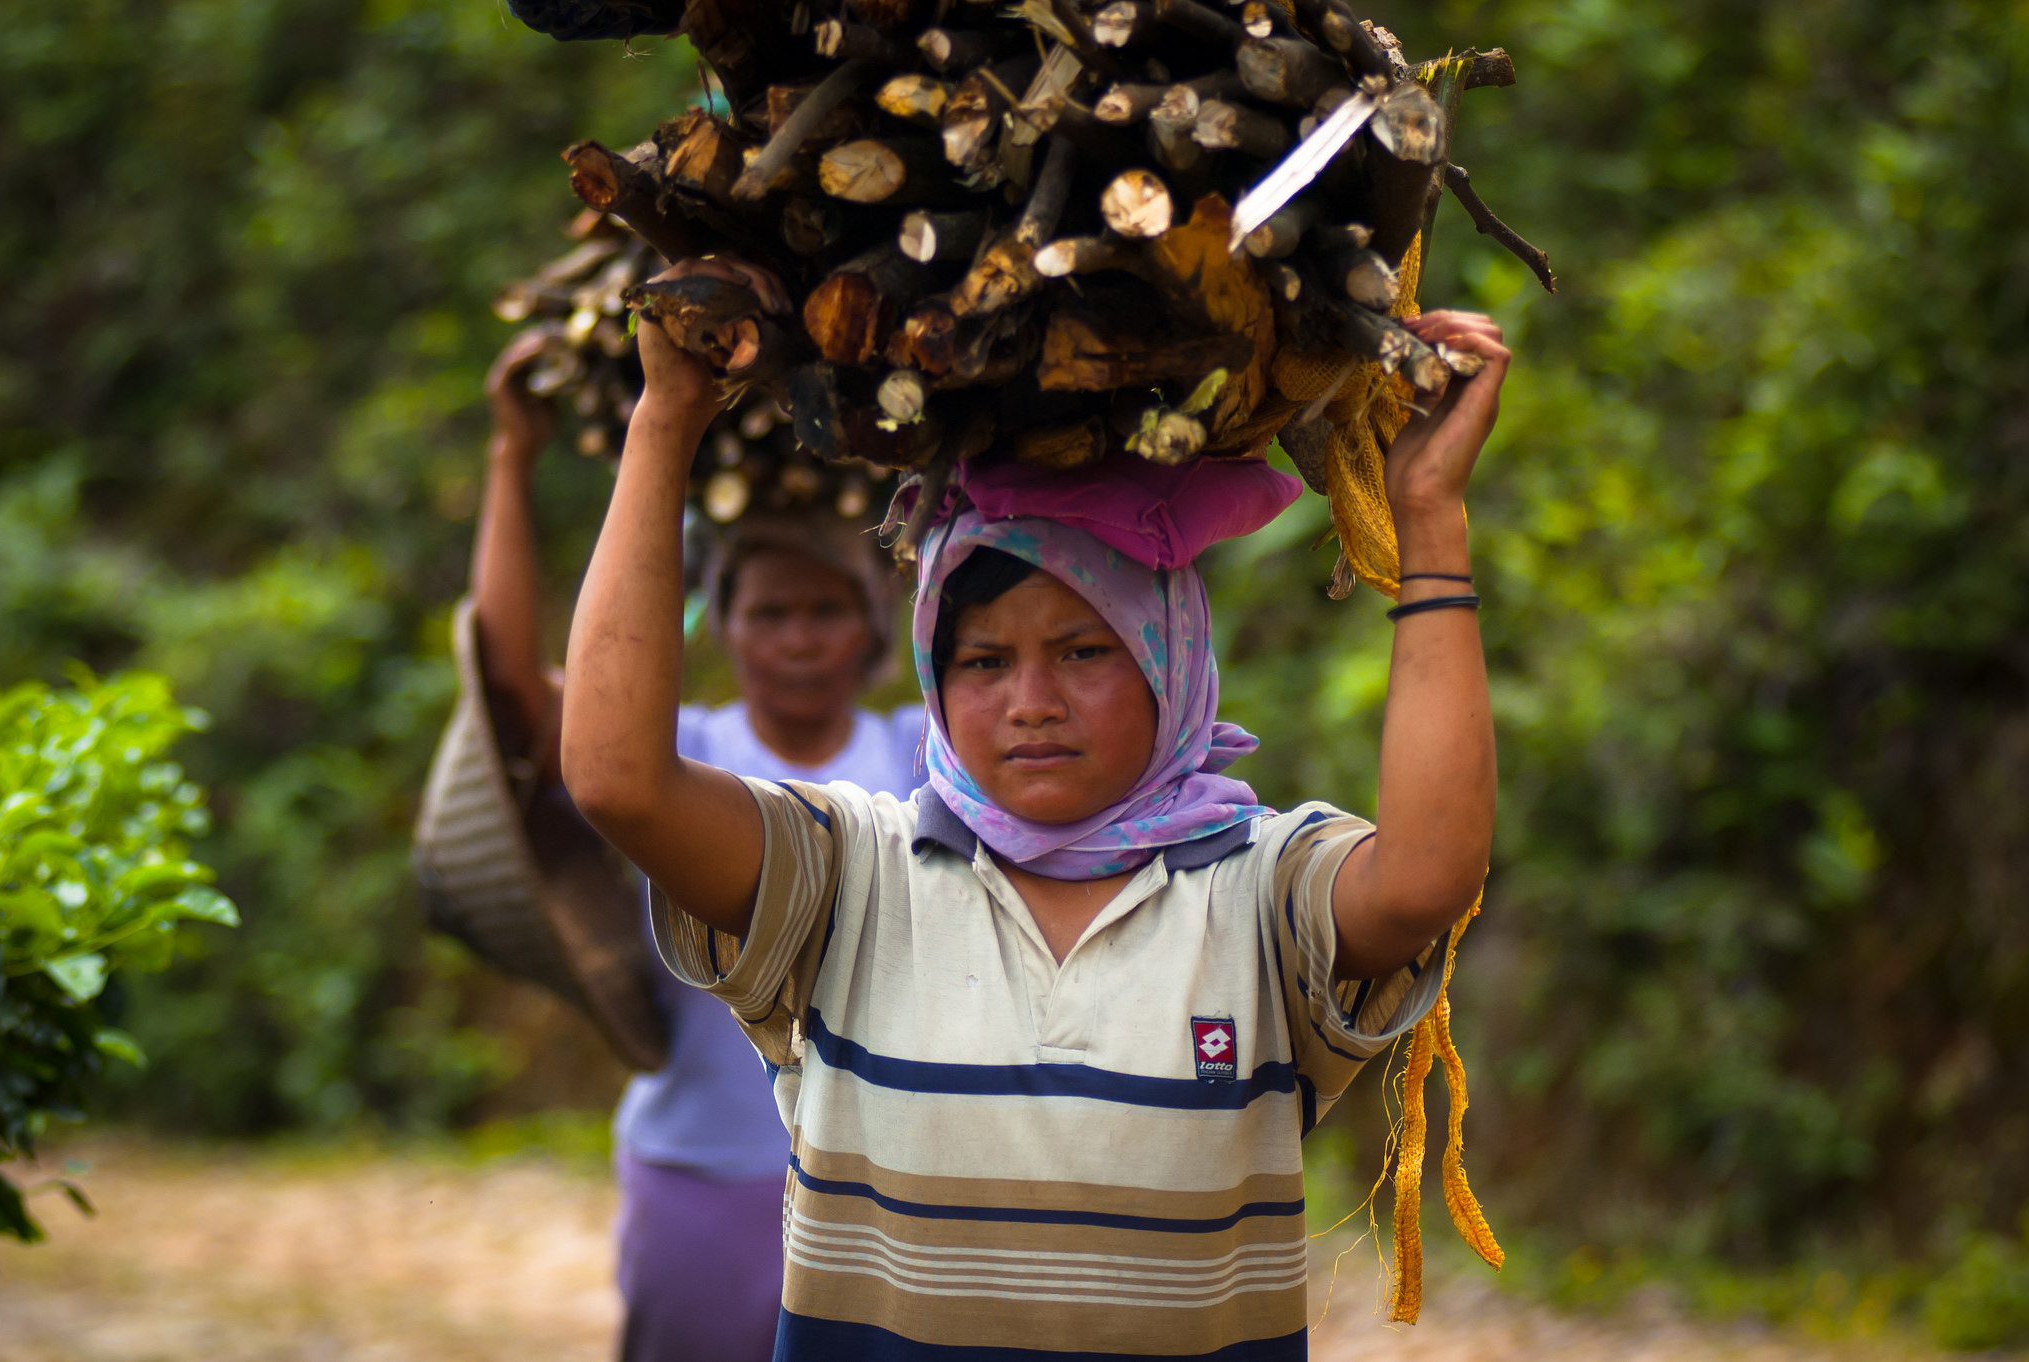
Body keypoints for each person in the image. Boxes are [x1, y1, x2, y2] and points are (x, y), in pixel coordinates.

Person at [562, 256, 1507, 1361]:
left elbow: (1427, 877)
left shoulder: (1258, 890)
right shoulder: (851, 879)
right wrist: (664, 419)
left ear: (1171, 658)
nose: (1030, 705)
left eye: (1082, 650)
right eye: (980, 661)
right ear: (928, 673)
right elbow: (617, 782)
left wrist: (1428, 515)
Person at [469, 330, 926, 1362]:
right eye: (770, 613)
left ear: (868, 628)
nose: (799, 638)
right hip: (698, 1173)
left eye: (825, 610)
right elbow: (506, 692)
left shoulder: (917, 756)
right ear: (721, 625)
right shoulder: (674, 756)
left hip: (885, 1179)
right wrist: (511, 458)